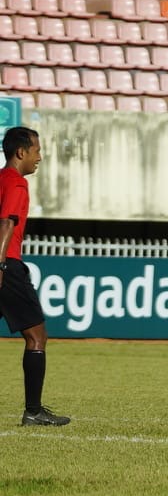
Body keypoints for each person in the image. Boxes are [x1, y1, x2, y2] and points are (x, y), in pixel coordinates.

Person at [0, 128, 71, 427]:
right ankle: (33, 411)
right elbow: (6, 224)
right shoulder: (16, 184)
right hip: (8, 266)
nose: (39, 157)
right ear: (21, 152)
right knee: (37, 336)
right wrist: (1, 266)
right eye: (36, 150)